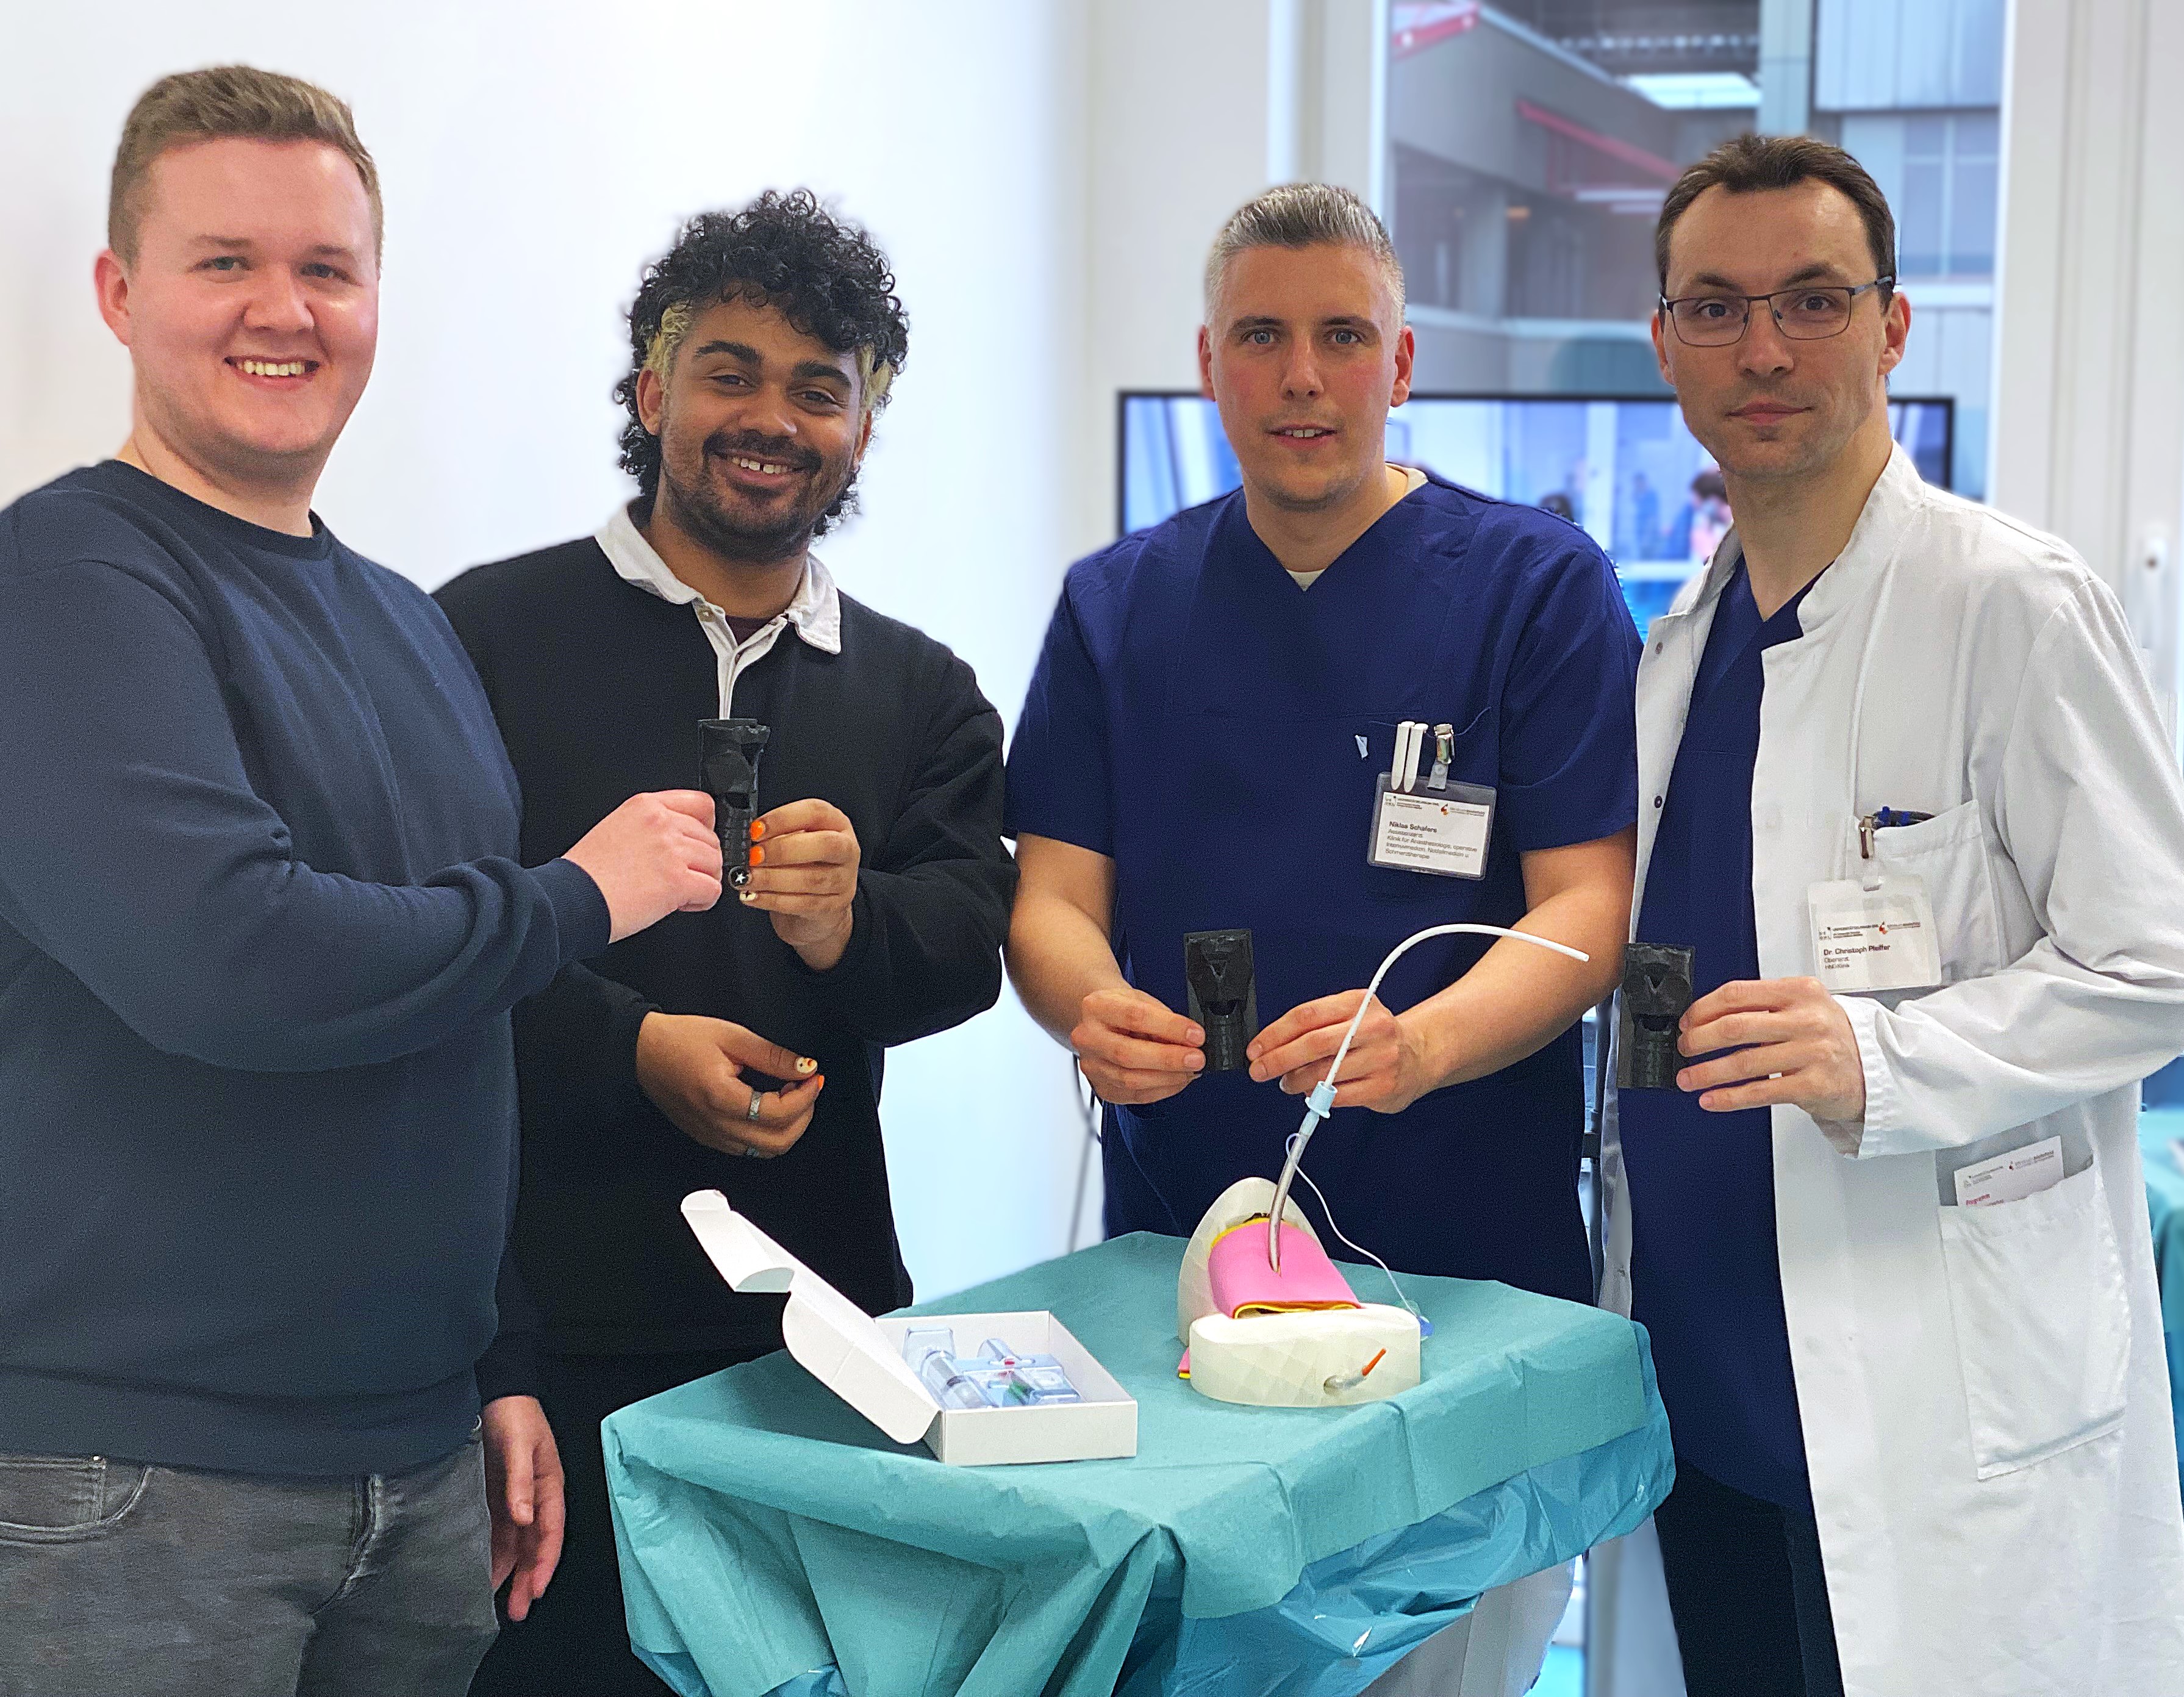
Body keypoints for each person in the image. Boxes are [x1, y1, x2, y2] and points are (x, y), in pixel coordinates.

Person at [0, 67, 720, 1697]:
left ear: (375, 299)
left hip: (420, 1461)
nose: (283, 309)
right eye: (225, 262)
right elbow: (226, 957)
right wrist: (581, 894)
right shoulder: (65, 579)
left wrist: (499, 1352)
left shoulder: (407, 620)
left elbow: (456, 1024)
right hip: (136, 1484)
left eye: (325, 267)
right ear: (118, 293)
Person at [1004, 183, 1638, 1697]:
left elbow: (1589, 909)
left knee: (1452, 1660)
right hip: (1189, 1269)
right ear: (1208, 362)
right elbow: (1050, 900)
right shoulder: (1117, 609)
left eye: (1343, 336)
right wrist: (1086, 1004)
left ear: (1401, 363)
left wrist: (1427, 1040)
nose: (1303, 377)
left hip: (1467, 1271)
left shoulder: (1534, 593)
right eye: (1263, 337)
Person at [1603, 132, 2184, 1696]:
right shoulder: (1682, 642)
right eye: (1715, 308)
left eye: (1813, 299)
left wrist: (1888, 1056)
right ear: (1665, 343)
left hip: (1931, 1393)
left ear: (1893, 325)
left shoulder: (2011, 601)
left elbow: (2159, 961)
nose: (1764, 349)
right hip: (1708, 1385)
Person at [438, 193, 1014, 1697]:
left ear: (864, 428)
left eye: (820, 387)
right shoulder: (479, 636)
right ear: (652, 392)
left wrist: (850, 925)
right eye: (731, 372)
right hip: (542, 1335)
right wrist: (629, 1045)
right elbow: (428, 944)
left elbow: (970, 944)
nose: (772, 418)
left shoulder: (921, 690)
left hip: (821, 1332)